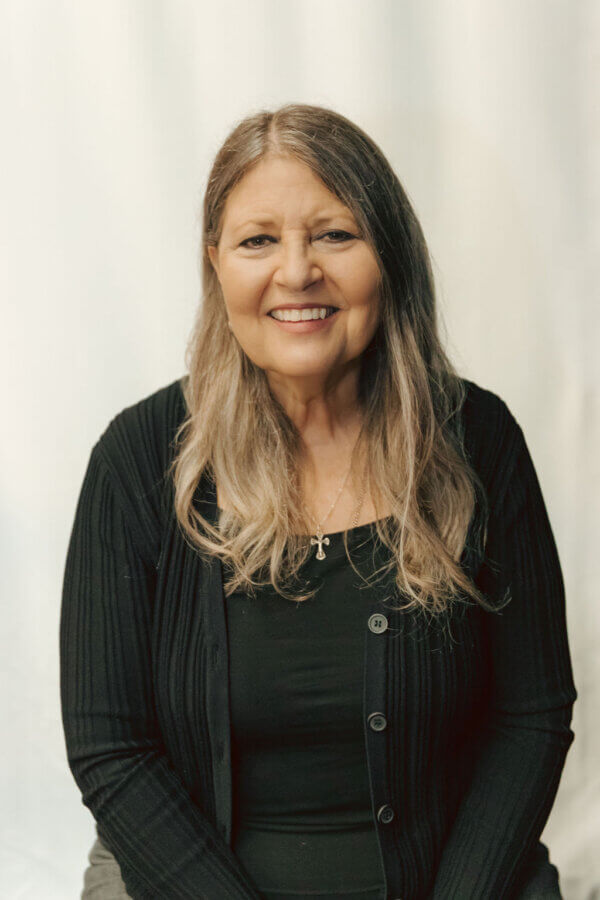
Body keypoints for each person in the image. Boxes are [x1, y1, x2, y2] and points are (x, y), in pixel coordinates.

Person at [60, 103, 577, 900]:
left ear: (389, 256)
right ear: (216, 263)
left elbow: (531, 716)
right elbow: (112, 748)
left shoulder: (478, 440)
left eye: (335, 235)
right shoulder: (139, 460)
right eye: (257, 240)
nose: (297, 272)